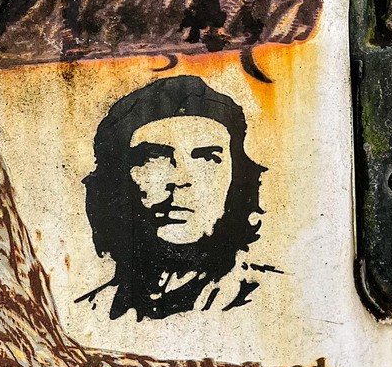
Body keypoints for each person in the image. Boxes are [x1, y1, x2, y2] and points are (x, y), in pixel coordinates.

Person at [77, 74, 280, 321]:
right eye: (154, 158)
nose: (181, 179)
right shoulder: (91, 312)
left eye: (207, 158)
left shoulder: (273, 301)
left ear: (237, 176)